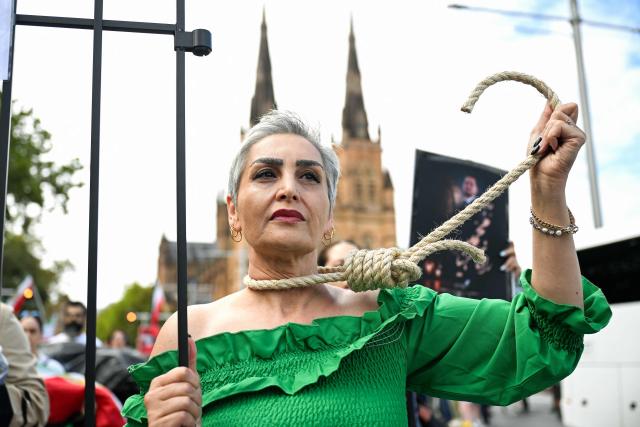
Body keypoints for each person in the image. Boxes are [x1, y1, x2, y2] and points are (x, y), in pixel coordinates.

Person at [122, 107, 611, 426]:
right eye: (267, 173)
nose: (288, 187)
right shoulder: (188, 332)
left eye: (309, 176)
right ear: (232, 210)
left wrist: (547, 193)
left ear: (330, 215)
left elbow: (542, 340)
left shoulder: (388, 315)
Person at [0, 303, 49, 426]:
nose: (27, 335)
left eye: (32, 331)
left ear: (41, 336)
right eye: (24, 330)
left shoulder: (2, 316)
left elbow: (38, 406)